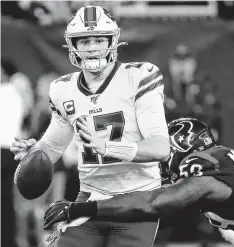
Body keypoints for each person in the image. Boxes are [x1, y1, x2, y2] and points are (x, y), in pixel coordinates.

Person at [10, 5, 170, 247]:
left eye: (98, 39)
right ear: (73, 46)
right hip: (89, 199)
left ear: (112, 42)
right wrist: (34, 153)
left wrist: (108, 147)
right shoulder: (63, 89)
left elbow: (160, 148)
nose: (92, 47)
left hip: (137, 200)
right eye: (84, 41)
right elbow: (53, 145)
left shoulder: (139, 77)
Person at [44, 118, 234, 247]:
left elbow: (152, 203)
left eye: (167, 154)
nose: (163, 163)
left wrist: (84, 208)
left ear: (183, 146)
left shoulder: (203, 165)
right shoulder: (220, 160)